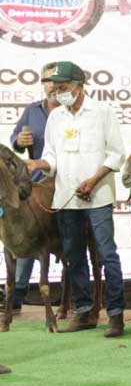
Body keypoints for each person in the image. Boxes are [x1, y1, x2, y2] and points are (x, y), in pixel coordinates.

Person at [24, 61, 127, 337]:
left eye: (64, 87)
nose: (58, 92)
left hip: (98, 196)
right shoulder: (56, 118)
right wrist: (38, 164)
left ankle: (115, 314)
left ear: (80, 86)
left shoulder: (102, 112)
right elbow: (52, 157)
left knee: (106, 254)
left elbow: (116, 154)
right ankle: (83, 312)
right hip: (67, 198)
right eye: (55, 88)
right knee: (73, 256)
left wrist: (93, 180)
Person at [7, 62, 58, 313]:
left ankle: (83, 296)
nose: (51, 85)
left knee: (67, 238)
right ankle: (18, 292)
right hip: (34, 183)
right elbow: (15, 143)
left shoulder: (73, 111)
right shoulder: (31, 111)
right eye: (46, 80)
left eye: (55, 80)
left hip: (66, 183)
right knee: (25, 234)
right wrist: (19, 141)